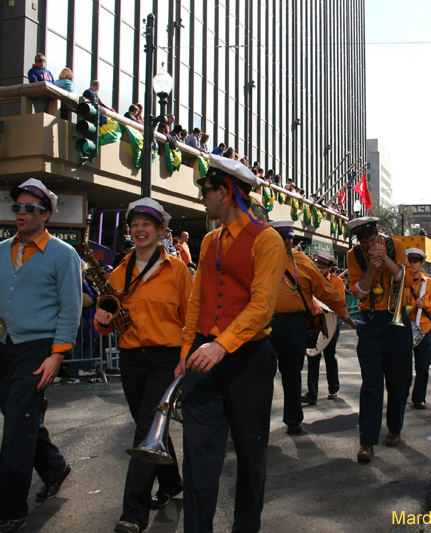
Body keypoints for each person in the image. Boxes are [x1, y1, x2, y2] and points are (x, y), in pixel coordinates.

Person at [176, 154, 284, 532]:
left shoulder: (267, 240)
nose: (202, 199)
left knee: (251, 452)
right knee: (198, 455)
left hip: (248, 360)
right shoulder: (208, 241)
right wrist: (186, 351)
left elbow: (262, 305)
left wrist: (222, 345)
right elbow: (197, 301)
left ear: (225, 192)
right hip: (203, 356)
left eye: (205, 191)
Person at [0, 178, 81, 533]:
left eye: (29, 208)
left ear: (46, 214)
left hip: (39, 348)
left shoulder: (63, 254)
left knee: (15, 431)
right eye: (17, 208)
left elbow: (70, 309)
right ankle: (55, 468)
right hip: (5, 347)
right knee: (22, 421)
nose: (21, 213)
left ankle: (10, 511)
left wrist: (57, 354)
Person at [94, 198, 192, 533]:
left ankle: (133, 513)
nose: (140, 230)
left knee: (145, 431)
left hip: (166, 357)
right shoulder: (119, 271)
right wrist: (103, 319)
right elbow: (106, 323)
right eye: (135, 225)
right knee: (151, 427)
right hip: (132, 358)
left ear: (161, 230)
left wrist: (184, 359)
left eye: (147, 224)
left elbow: (190, 319)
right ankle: (171, 483)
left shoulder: (178, 270)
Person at [268, 221, 354, 434]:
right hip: (264, 325)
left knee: (292, 375)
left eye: (290, 237)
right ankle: (256, 423)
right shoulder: (259, 258)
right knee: (261, 376)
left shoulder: (303, 261)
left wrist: (343, 312)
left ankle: (294, 421)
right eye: (283, 237)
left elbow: (325, 290)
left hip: (293, 325)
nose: (287, 241)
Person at [346, 216, 413, 462]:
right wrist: (372, 268)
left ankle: (394, 427)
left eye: (371, 239)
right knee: (371, 383)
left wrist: (384, 258)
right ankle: (367, 441)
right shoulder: (353, 256)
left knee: (398, 380)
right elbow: (359, 290)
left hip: (397, 319)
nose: (368, 244)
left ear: (378, 234)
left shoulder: (396, 246)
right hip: (371, 321)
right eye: (363, 241)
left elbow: (402, 278)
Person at [303, 251, 346, 403]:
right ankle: (312, 393)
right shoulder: (310, 280)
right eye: (317, 266)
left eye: (322, 267)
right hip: (314, 323)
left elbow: (339, 302)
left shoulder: (337, 282)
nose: (319, 270)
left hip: (330, 322)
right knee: (312, 356)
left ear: (329, 268)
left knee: (329, 356)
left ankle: (333, 388)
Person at [404, 247, 431, 409]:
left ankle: (419, 397)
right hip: (405, 328)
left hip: (424, 328)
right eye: (410, 261)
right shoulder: (401, 281)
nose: (412, 265)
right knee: (403, 366)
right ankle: (402, 394)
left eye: (416, 262)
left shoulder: (429, 283)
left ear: (422, 263)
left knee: (422, 366)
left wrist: (424, 304)